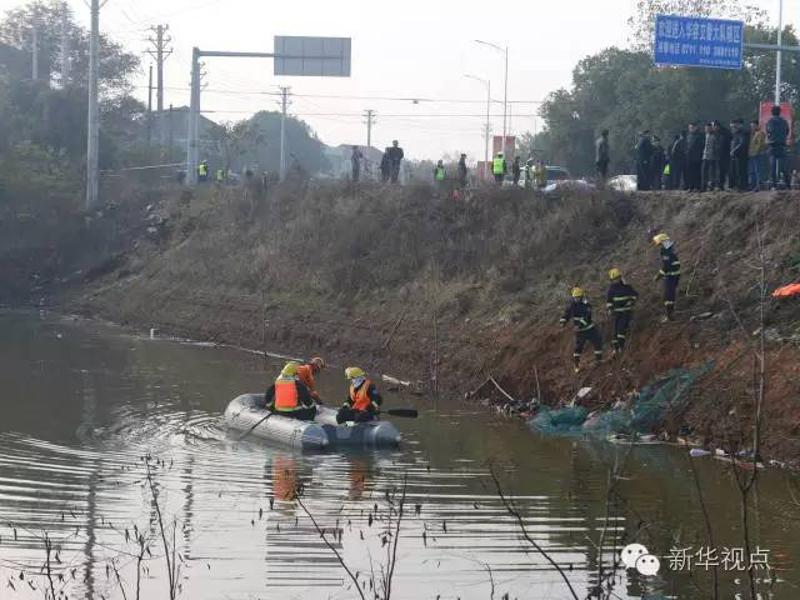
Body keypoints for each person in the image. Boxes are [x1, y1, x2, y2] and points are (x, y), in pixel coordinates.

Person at [559, 287, 603, 373]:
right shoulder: (572, 306)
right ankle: (576, 365)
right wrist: (563, 321)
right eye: (575, 297)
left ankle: (599, 361)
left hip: (590, 329)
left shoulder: (586, 305)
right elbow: (566, 315)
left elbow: (587, 317)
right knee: (578, 347)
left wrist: (579, 325)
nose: (577, 299)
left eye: (578, 297)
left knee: (597, 343)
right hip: (580, 332)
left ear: (582, 296)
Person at [606, 268, 639, 355]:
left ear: (620, 277)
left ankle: (621, 348)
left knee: (621, 330)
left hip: (626, 312)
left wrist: (631, 301)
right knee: (615, 333)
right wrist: (610, 309)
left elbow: (635, 295)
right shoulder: (611, 289)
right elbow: (609, 301)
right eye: (613, 279)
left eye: (616, 278)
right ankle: (615, 350)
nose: (615, 281)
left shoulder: (627, 287)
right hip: (616, 313)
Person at [652, 233, 681, 322]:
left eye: (660, 244)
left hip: (671, 276)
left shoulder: (667, 252)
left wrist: (658, 276)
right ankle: (670, 314)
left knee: (668, 295)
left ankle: (670, 315)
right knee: (669, 295)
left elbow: (667, 266)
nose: (659, 246)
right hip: (673, 275)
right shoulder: (669, 249)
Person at [766, 104, 790, 190]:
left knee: (772, 166)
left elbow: (768, 132)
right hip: (782, 145)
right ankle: (788, 184)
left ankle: (774, 185)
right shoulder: (784, 121)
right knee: (783, 167)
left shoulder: (770, 121)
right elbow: (787, 131)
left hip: (773, 146)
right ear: (780, 112)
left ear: (772, 112)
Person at [729, 118, 750, 192]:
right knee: (734, 171)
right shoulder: (735, 133)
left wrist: (734, 150)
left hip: (741, 155)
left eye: (735, 125)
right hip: (735, 155)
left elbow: (742, 144)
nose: (733, 127)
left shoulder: (744, 133)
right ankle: (736, 186)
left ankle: (742, 186)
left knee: (741, 171)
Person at [748, 120, 767, 191]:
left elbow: (759, 145)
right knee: (752, 171)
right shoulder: (752, 134)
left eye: (753, 126)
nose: (752, 127)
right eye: (751, 126)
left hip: (757, 155)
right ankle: (752, 185)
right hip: (751, 155)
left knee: (758, 170)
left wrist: (755, 152)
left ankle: (759, 185)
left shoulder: (760, 133)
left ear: (757, 125)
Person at [685, 122, 704, 191]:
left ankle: (697, 186)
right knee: (690, 173)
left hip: (697, 157)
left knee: (697, 173)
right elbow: (687, 146)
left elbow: (702, 146)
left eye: (692, 127)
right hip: (689, 157)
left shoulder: (700, 136)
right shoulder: (688, 136)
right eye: (690, 128)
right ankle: (691, 186)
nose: (691, 129)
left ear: (696, 127)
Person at [713, 120, 732, 189]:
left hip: (726, 154)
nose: (713, 128)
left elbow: (725, 143)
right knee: (719, 171)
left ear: (717, 126)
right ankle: (720, 185)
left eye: (714, 126)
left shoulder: (725, 132)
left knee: (727, 170)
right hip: (718, 155)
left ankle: (730, 185)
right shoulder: (716, 133)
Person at [701, 123, 718, 192]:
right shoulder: (704, 136)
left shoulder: (714, 136)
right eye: (706, 128)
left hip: (712, 157)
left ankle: (711, 186)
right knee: (704, 172)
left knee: (711, 173)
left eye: (708, 128)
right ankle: (703, 186)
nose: (707, 129)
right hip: (705, 156)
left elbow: (716, 147)